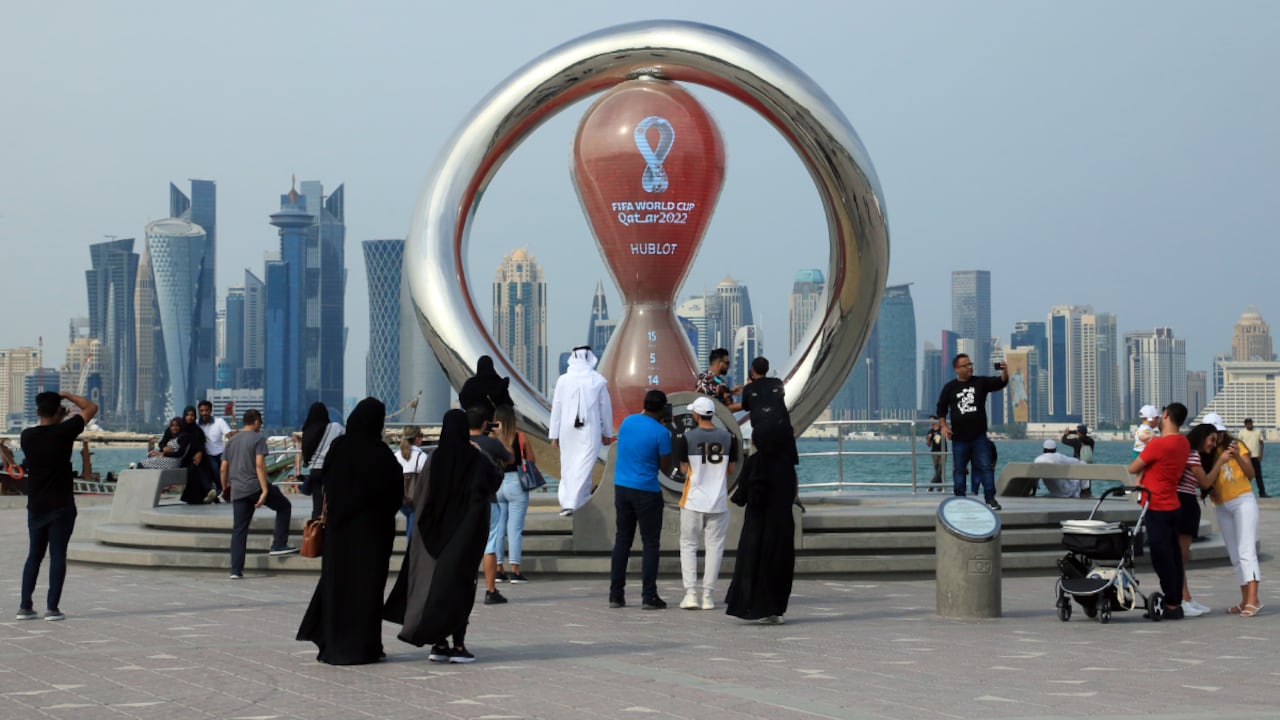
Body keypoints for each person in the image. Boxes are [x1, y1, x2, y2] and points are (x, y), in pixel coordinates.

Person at [384, 409, 503, 664]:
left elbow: (421, 496)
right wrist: (482, 454)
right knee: (461, 590)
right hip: (466, 539)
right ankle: (459, 646)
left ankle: (439, 644)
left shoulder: (434, 458)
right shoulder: (476, 459)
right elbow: (494, 481)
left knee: (438, 591)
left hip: (435, 537)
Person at [296, 398, 402, 664]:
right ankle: (366, 646)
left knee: (338, 587)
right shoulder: (382, 454)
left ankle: (333, 643)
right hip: (372, 537)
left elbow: (329, 486)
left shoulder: (339, 448)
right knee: (367, 591)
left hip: (340, 534)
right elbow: (395, 495)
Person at [725, 361, 799, 625]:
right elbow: (792, 493)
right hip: (782, 526)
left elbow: (741, 497)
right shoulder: (787, 466)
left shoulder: (756, 464)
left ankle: (752, 607)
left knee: (754, 566)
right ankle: (776, 609)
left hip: (758, 529)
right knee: (779, 566)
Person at [17, 390, 98, 621]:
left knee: (34, 555)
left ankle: (25, 606)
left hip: (36, 505)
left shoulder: (27, 436)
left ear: (37, 411)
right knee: (58, 556)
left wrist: (59, 414)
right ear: (58, 411)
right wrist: (67, 395)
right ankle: (52, 608)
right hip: (61, 505)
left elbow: (48, 430)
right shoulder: (64, 432)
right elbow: (91, 407)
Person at [609, 389, 673, 610]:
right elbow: (665, 466)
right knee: (650, 543)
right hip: (646, 491)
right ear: (663, 408)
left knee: (622, 541)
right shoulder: (661, 432)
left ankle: (615, 595)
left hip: (622, 487)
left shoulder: (627, 422)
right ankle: (649, 596)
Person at [1127, 402, 1190, 620]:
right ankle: (1175, 602)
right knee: (1173, 554)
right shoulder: (1183, 443)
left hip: (1156, 504)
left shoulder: (1158, 445)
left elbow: (1133, 467)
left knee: (1161, 555)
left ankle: (1172, 604)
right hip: (1174, 503)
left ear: (1165, 415)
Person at [676, 396, 737, 610]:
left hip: (693, 499)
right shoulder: (729, 438)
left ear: (696, 415)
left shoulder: (687, 437)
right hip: (719, 501)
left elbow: (684, 469)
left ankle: (691, 594)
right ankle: (708, 596)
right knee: (714, 548)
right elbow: (731, 470)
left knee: (689, 545)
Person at [223, 409, 298, 579]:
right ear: (256, 421)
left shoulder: (232, 441)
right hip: (255, 486)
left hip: (238, 489)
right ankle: (278, 544)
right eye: (260, 422)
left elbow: (223, 467)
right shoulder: (258, 439)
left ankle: (235, 570)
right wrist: (264, 490)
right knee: (284, 506)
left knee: (239, 529)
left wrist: (225, 486)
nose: (261, 425)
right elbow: (259, 465)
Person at [936, 353, 1008, 510]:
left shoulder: (980, 382)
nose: (970, 367)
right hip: (959, 437)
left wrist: (1004, 371)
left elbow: (1000, 382)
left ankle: (990, 498)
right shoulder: (950, 387)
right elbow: (941, 408)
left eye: (970, 364)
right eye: (965, 365)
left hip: (979, 437)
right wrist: (943, 426)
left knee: (985, 467)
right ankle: (960, 499)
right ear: (957, 369)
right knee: (959, 469)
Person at [1204, 422, 1263, 616]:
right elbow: (1206, 479)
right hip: (1222, 506)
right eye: (1213, 434)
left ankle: (1254, 600)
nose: (1217, 438)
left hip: (1243, 501)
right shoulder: (1208, 452)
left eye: (1219, 433)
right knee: (1235, 554)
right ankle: (1246, 599)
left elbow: (1251, 474)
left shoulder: (1237, 445)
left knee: (1247, 551)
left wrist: (1236, 454)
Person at [549, 346, 615, 517]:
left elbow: (556, 409)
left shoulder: (563, 380)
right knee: (584, 465)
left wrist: (554, 435)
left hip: (567, 430)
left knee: (569, 464)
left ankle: (577, 501)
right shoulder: (598, 380)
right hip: (589, 429)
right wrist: (608, 433)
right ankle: (572, 503)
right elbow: (605, 410)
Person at [467, 406, 514, 606]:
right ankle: (490, 590)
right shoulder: (492, 443)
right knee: (489, 546)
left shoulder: (461, 443)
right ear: (485, 424)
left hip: (464, 501)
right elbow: (511, 458)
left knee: (466, 545)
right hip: (488, 499)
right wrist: (501, 435)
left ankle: (463, 589)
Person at [492, 404, 533, 584]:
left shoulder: (491, 438)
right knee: (514, 529)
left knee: (498, 529)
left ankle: (499, 570)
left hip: (497, 483)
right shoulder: (520, 437)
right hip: (516, 482)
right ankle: (515, 570)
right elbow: (531, 460)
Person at [299, 402, 344, 520]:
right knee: (332, 505)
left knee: (317, 507)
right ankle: (330, 534)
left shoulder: (307, 431)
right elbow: (347, 440)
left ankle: (315, 534)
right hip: (330, 471)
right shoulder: (335, 427)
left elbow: (305, 454)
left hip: (314, 472)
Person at [196, 400, 235, 503]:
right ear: (199, 411)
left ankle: (221, 493)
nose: (204, 413)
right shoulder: (196, 424)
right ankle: (221, 493)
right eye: (202, 411)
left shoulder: (219, 422)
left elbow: (230, 436)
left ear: (211, 410)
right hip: (207, 455)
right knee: (215, 472)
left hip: (221, 453)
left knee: (222, 474)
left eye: (206, 410)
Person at [457, 355, 514, 422]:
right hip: (495, 423)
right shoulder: (498, 383)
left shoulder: (470, 384)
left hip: (474, 423)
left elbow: (463, 399)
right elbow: (507, 405)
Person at [396, 425, 427, 541]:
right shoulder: (421, 456)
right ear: (417, 438)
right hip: (415, 498)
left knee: (410, 520)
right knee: (412, 529)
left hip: (401, 498)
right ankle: (411, 553)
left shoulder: (396, 455)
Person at [1060, 424, 1095, 497]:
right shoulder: (1091, 441)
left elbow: (1064, 441)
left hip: (1078, 463)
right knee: (1087, 482)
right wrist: (1073, 432)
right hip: (1088, 463)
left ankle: (1075, 494)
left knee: (1076, 481)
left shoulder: (1076, 441)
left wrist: (1066, 434)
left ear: (1078, 432)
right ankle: (1087, 494)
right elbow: (1082, 434)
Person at [1237, 417, 1267, 498]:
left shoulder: (1258, 432)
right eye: (1247, 423)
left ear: (1252, 423)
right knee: (1246, 476)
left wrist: (1261, 455)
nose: (1249, 424)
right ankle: (1244, 493)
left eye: (1250, 423)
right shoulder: (1241, 433)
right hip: (1246, 458)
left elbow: (1261, 443)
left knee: (1258, 476)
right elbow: (1239, 444)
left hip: (1256, 457)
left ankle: (1262, 493)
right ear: (1245, 424)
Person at [925, 416, 946, 492]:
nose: (930, 422)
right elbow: (928, 444)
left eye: (931, 420)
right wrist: (929, 438)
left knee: (940, 470)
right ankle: (940, 489)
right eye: (929, 421)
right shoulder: (930, 431)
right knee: (937, 471)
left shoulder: (942, 429)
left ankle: (931, 486)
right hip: (934, 453)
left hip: (943, 451)